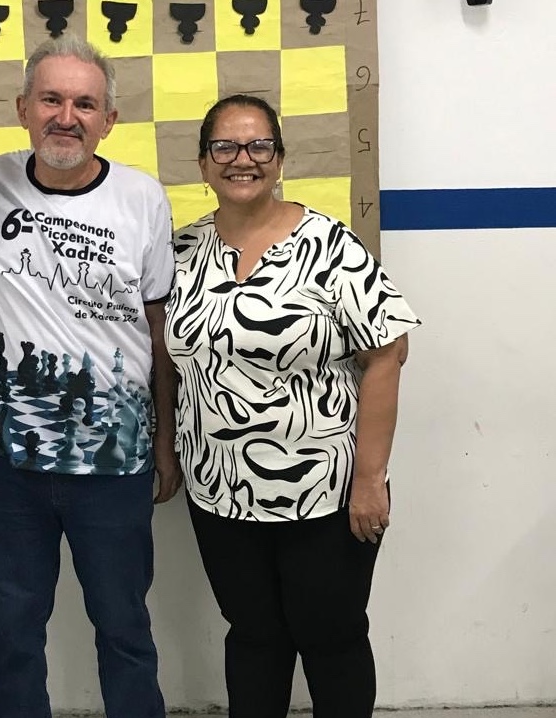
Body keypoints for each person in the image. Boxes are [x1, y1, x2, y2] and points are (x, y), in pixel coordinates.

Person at [164, 93, 420, 718]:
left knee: (329, 637)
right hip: (219, 492)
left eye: (258, 146)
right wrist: (168, 446)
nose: (241, 159)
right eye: (225, 146)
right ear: (203, 164)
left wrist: (370, 481)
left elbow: (388, 352)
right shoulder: (179, 251)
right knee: (252, 637)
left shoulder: (328, 245)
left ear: (279, 160)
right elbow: (163, 361)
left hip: (325, 493)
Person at [0, 35, 181, 718]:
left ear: (109, 120)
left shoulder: (142, 199)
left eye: (86, 103)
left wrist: (164, 444)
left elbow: (159, 334)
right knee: (13, 635)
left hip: (116, 462)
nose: (66, 116)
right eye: (51, 99)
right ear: (24, 107)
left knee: (125, 630)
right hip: (6, 462)